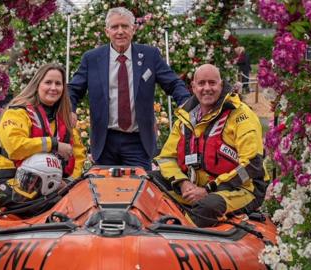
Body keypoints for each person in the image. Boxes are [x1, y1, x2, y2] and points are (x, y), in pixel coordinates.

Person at [69, 7, 190, 171]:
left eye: (125, 26)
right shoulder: (91, 59)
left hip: (138, 142)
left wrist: (185, 103)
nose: (120, 32)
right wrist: (70, 110)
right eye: (115, 27)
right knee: (105, 192)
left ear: (133, 29)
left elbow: (174, 83)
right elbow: (74, 89)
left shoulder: (150, 55)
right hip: (104, 142)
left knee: (139, 191)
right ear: (107, 31)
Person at [155, 64, 269, 227]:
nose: (207, 88)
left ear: (221, 85)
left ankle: (184, 235)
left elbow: (252, 166)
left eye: (212, 83)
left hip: (242, 189)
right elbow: (166, 158)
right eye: (201, 83)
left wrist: (208, 190)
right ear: (193, 87)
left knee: (207, 207)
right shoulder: (185, 118)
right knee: (150, 182)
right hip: (195, 186)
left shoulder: (241, 116)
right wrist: (183, 183)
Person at [0, 63, 86, 210]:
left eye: (58, 84)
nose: (53, 88)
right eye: (48, 82)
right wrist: (54, 144)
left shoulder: (65, 120)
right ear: (37, 84)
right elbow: (14, 147)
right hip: (10, 181)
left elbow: (78, 156)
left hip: (48, 185)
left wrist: (68, 182)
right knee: (48, 205)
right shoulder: (17, 112)